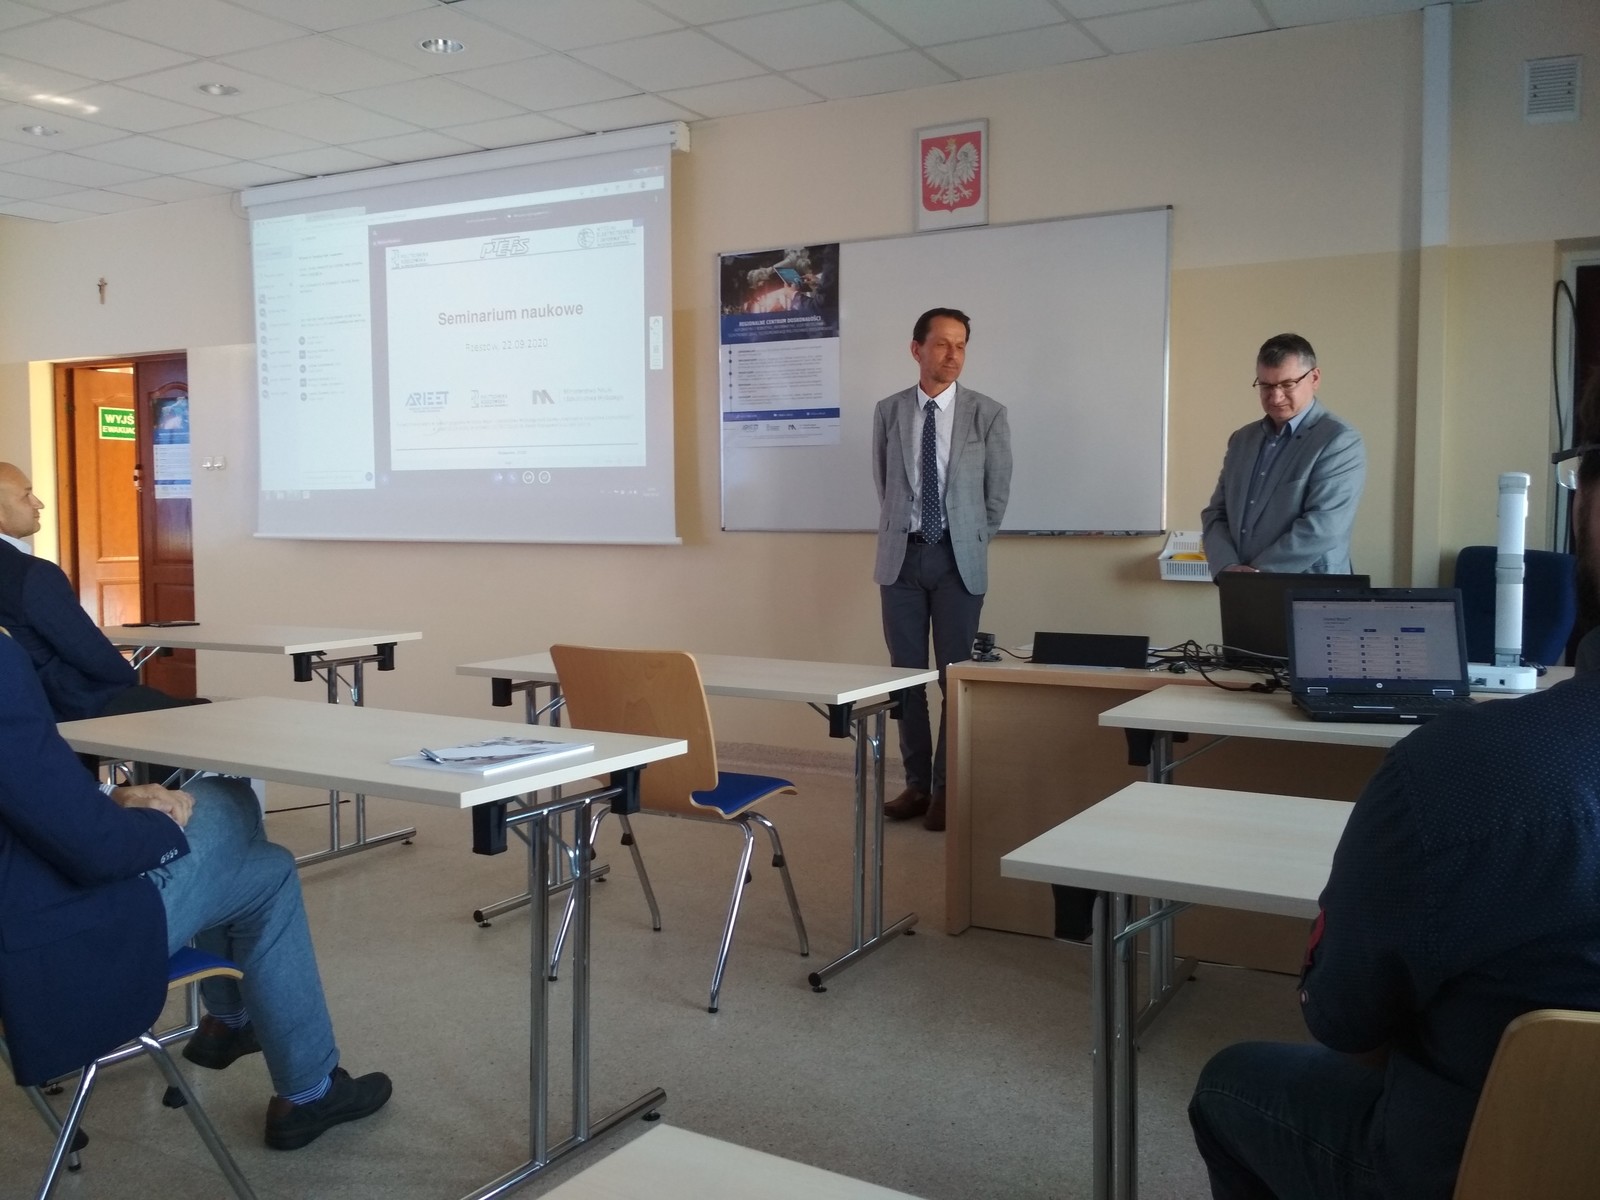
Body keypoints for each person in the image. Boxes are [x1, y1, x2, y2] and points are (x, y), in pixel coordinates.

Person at [1187, 441, 1600, 1197]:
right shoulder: (1242, 446)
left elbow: (1345, 1023)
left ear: (1591, 510)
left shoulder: (1452, 773)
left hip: (1465, 1168)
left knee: (1230, 1083)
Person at [0, 629, 392, 1149]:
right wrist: (162, 827)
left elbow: (22, 789)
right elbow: (97, 850)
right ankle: (278, 1066)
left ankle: (259, 1046)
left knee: (269, 871)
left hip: (27, 915)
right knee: (227, 797)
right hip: (55, 942)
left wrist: (111, 795)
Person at [872, 308, 1011, 832]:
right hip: (901, 559)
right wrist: (905, 534)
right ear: (917, 349)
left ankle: (948, 790)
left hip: (958, 562)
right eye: (942, 344)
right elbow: (885, 484)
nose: (953, 355)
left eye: (961, 345)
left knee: (956, 679)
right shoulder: (889, 411)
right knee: (906, 678)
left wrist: (968, 541)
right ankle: (917, 785)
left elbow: (996, 495)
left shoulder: (987, 413)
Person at [0, 461, 192, 721]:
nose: (39, 504)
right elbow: (88, 653)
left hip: (15, 709)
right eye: (26, 495)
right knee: (199, 716)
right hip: (68, 706)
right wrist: (127, 676)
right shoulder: (33, 574)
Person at [1201, 334, 1366, 577]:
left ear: (1314, 378)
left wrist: (1256, 574)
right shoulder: (1242, 440)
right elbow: (1216, 514)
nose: (1276, 397)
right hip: (1240, 586)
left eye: (1288, 384)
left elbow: (1325, 527)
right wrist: (1228, 568)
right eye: (1266, 386)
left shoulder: (1338, 440)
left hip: (1309, 591)